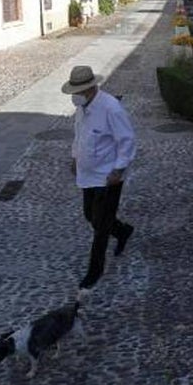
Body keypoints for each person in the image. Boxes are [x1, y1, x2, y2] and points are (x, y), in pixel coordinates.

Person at [63, 65, 135, 290]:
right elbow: (80, 134)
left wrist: (119, 170)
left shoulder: (111, 108)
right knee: (89, 215)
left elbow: (127, 140)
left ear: (91, 88)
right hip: (88, 173)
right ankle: (123, 230)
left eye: (79, 92)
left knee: (101, 225)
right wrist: (75, 157)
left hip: (108, 175)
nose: (76, 97)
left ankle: (94, 271)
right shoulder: (83, 108)